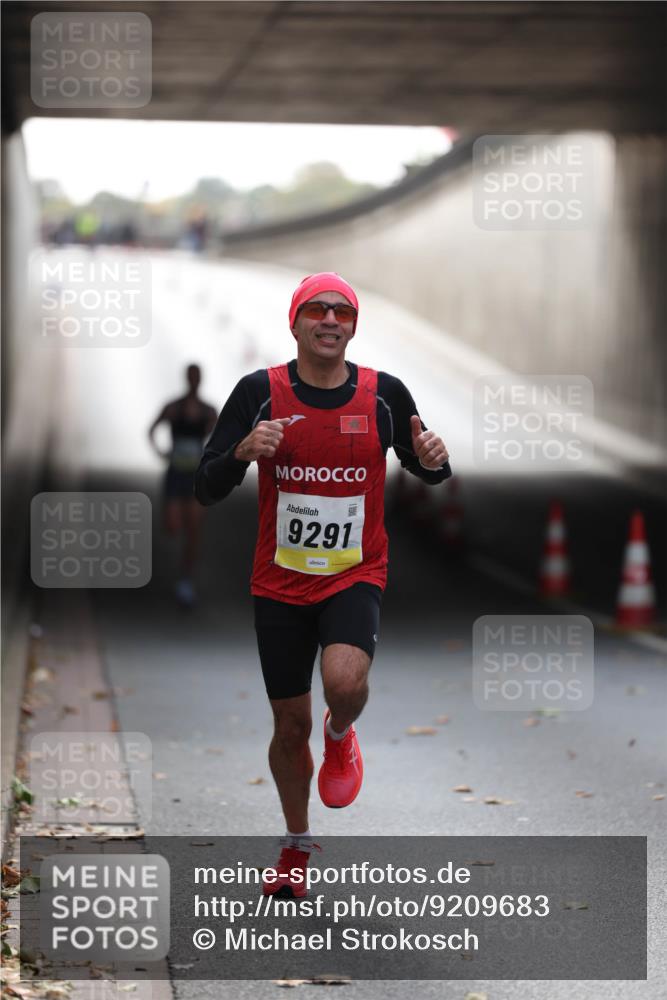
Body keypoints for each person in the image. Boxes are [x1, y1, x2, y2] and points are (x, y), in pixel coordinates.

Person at [195, 273, 451, 897]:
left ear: (353, 325)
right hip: (278, 582)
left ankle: (342, 735)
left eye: (343, 310)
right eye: (318, 309)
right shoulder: (259, 393)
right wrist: (241, 454)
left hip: (353, 573)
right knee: (288, 728)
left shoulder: (383, 395)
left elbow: (426, 466)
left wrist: (435, 460)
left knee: (343, 683)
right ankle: (295, 846)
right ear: (296, 322)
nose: (331, 319)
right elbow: (204, 485)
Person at [149, 364, 217, 606]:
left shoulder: (208, 411)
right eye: (191, 377)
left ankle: (186, 580)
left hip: (195, 476)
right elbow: (152, 430)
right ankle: (180, 571)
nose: (194, 381)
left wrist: (209, 457)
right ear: (186, 378)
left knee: (193, 531)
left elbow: (220, 437)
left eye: (197, 377)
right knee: (172, 526)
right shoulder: (173, 408)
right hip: (176, 473)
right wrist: (162, 453)